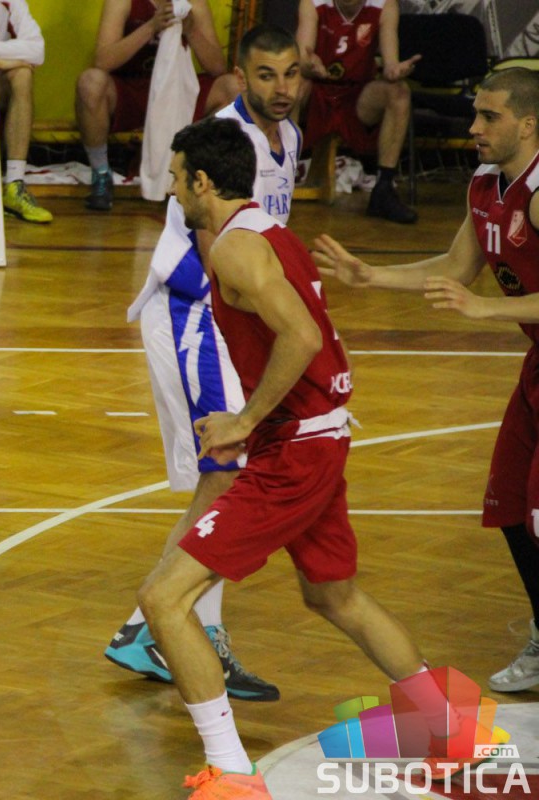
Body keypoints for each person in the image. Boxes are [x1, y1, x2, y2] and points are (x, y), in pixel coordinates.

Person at [139, 117, 436, 798]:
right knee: (334, 593)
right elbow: (316, 337)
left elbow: (301, 337)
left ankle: (231, 770)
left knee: (163, 598)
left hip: (295, 451)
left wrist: (245, 420)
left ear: (203, 182)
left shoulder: (234, 251)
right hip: (315, 436)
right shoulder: (270, 232)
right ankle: (444, 727)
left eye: (177, 178)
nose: (171, 190)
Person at [314, 68, 539, 695]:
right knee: (509, 505)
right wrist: (371, 276)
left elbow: (475, 296)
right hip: (537, 364)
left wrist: (487, 310)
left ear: (528, 124)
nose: (474, 126)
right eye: (475, 113)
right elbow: (457, 267)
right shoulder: (484, 184)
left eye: (489, 116)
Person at [107, 24, 303, 705]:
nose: (283, 87)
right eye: (268, 75)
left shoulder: (289, 137)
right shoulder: (220, 141)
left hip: (230, 319)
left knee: (225, 478)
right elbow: (208, 244)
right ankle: (186, 631)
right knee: (226, 475)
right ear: (241, 78)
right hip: (196, 312)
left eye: (292, 73)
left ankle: (150, 626)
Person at [77, 0, 239, 212]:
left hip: (176, 91)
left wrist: (191, 31)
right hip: (133, 90)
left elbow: (217, 68)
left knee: (232, 87)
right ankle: (100, 173)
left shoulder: (194, 4)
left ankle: (200, 167)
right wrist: (151, 27)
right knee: (90, 83)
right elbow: (103, 61)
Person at [296, 0, 420, 224]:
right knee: (293, 84)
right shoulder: (312, 3)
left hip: (356, 94)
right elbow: (302, 59)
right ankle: (277, 174)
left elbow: (390, 64)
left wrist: (394, 71)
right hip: (318, 88)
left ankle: (383, 189)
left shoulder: (385, 6)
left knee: (399, 92)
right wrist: (309, 65)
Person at [0, 0, 52, 224]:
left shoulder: (10, 2)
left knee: (22, 74)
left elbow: (37, 49)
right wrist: (1, 62)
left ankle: (14, 183)